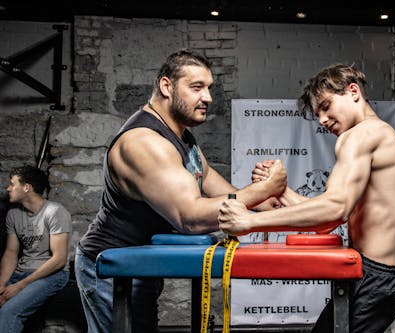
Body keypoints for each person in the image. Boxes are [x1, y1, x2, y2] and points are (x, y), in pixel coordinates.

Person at [75, 49, 286, 333]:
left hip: (140, 265)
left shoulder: (180, 135)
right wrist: (260, 190)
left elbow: (207, 178)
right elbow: (190, 217)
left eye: (209, 87)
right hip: (110, 266)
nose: (208, 97)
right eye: (197, 87)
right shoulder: (144, 143)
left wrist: (260, 200)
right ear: (166, 86)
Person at [218, 64, 395, 333]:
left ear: (353, 91)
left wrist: (249, 222)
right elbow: (330, 215)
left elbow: (334, 209)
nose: (322, 120)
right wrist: (281, 191)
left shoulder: (361, 135)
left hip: (375, 279)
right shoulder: (378, 134)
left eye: (326, 106)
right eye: (317, 114)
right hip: (377, 277)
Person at [0, 165, 72, 332]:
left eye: (12, 184)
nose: (8, 188)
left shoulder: (55, 212)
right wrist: (2, 285)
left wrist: (20, 286)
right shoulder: (14, 214)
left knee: (9, 313)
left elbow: (59, 259)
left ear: (26, 187)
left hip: (51, 274)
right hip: (21, 272)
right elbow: (11, 253)